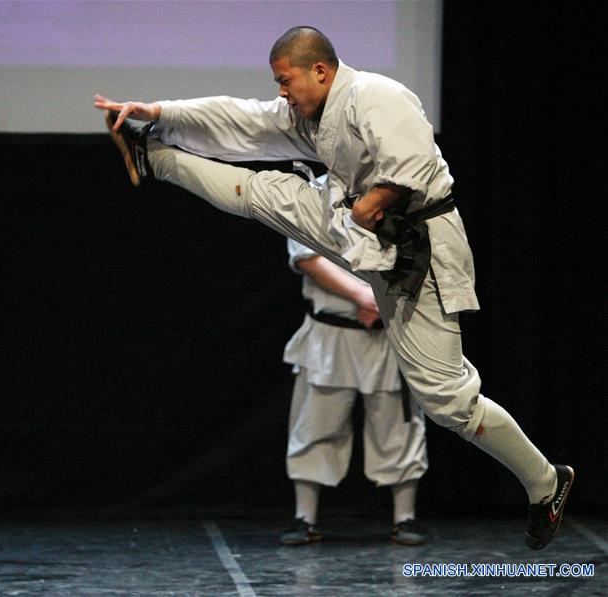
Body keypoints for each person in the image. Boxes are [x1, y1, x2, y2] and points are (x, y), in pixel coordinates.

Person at [94, 26, 573, 550]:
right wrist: (159, 113)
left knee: (446, 402)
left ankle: (545, 481)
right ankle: (153, 155)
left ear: (319, 71)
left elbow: (414, 157)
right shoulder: (311, 115)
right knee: (263, 193)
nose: (281, 91)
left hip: (421, 247)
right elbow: (242, 119)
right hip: (363, 231)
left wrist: (373, 201)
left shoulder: (376, 96)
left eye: (285, 80)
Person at [281, 236, 428, 547]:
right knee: (315, 424)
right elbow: (306, 257)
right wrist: (361, 296)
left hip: (388, 329)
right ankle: (304, 517)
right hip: (330, 333)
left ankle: (405, 517)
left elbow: (417, 257)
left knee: (398, 426)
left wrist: (381, 300)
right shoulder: (313, 196)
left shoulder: (400, 195)